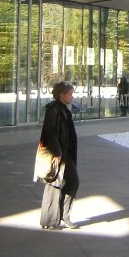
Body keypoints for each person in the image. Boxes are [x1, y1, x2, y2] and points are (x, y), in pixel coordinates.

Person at [35, 81, 80, 229]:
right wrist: (57, 153)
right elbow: (50, 132)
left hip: (64, 152)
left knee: (59, 184)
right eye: (70, 94)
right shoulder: (54, 110)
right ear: (61, 95)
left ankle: (55, 218)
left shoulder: (62, 110)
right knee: (59, 184)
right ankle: (56, 218)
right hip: (59, 154)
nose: (72, 97)